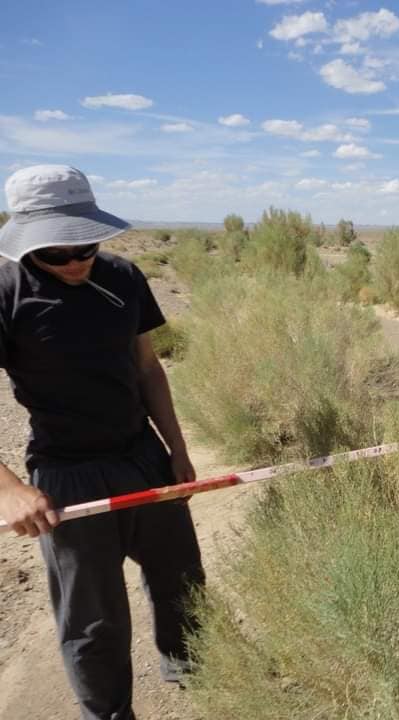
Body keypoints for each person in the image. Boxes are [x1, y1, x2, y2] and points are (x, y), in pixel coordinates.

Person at [0, 165, 205, 720]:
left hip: (142, 456)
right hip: (66, 473)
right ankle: (110, 712)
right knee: (93, 616)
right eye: (55, 254)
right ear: (26, 242)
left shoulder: (123, 276)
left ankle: (193, 666)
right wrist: (11, 489)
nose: (75, 262)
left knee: (181, 579)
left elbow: (147, 369)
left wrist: (177, 451)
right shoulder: (5, 290)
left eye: (84, 245)